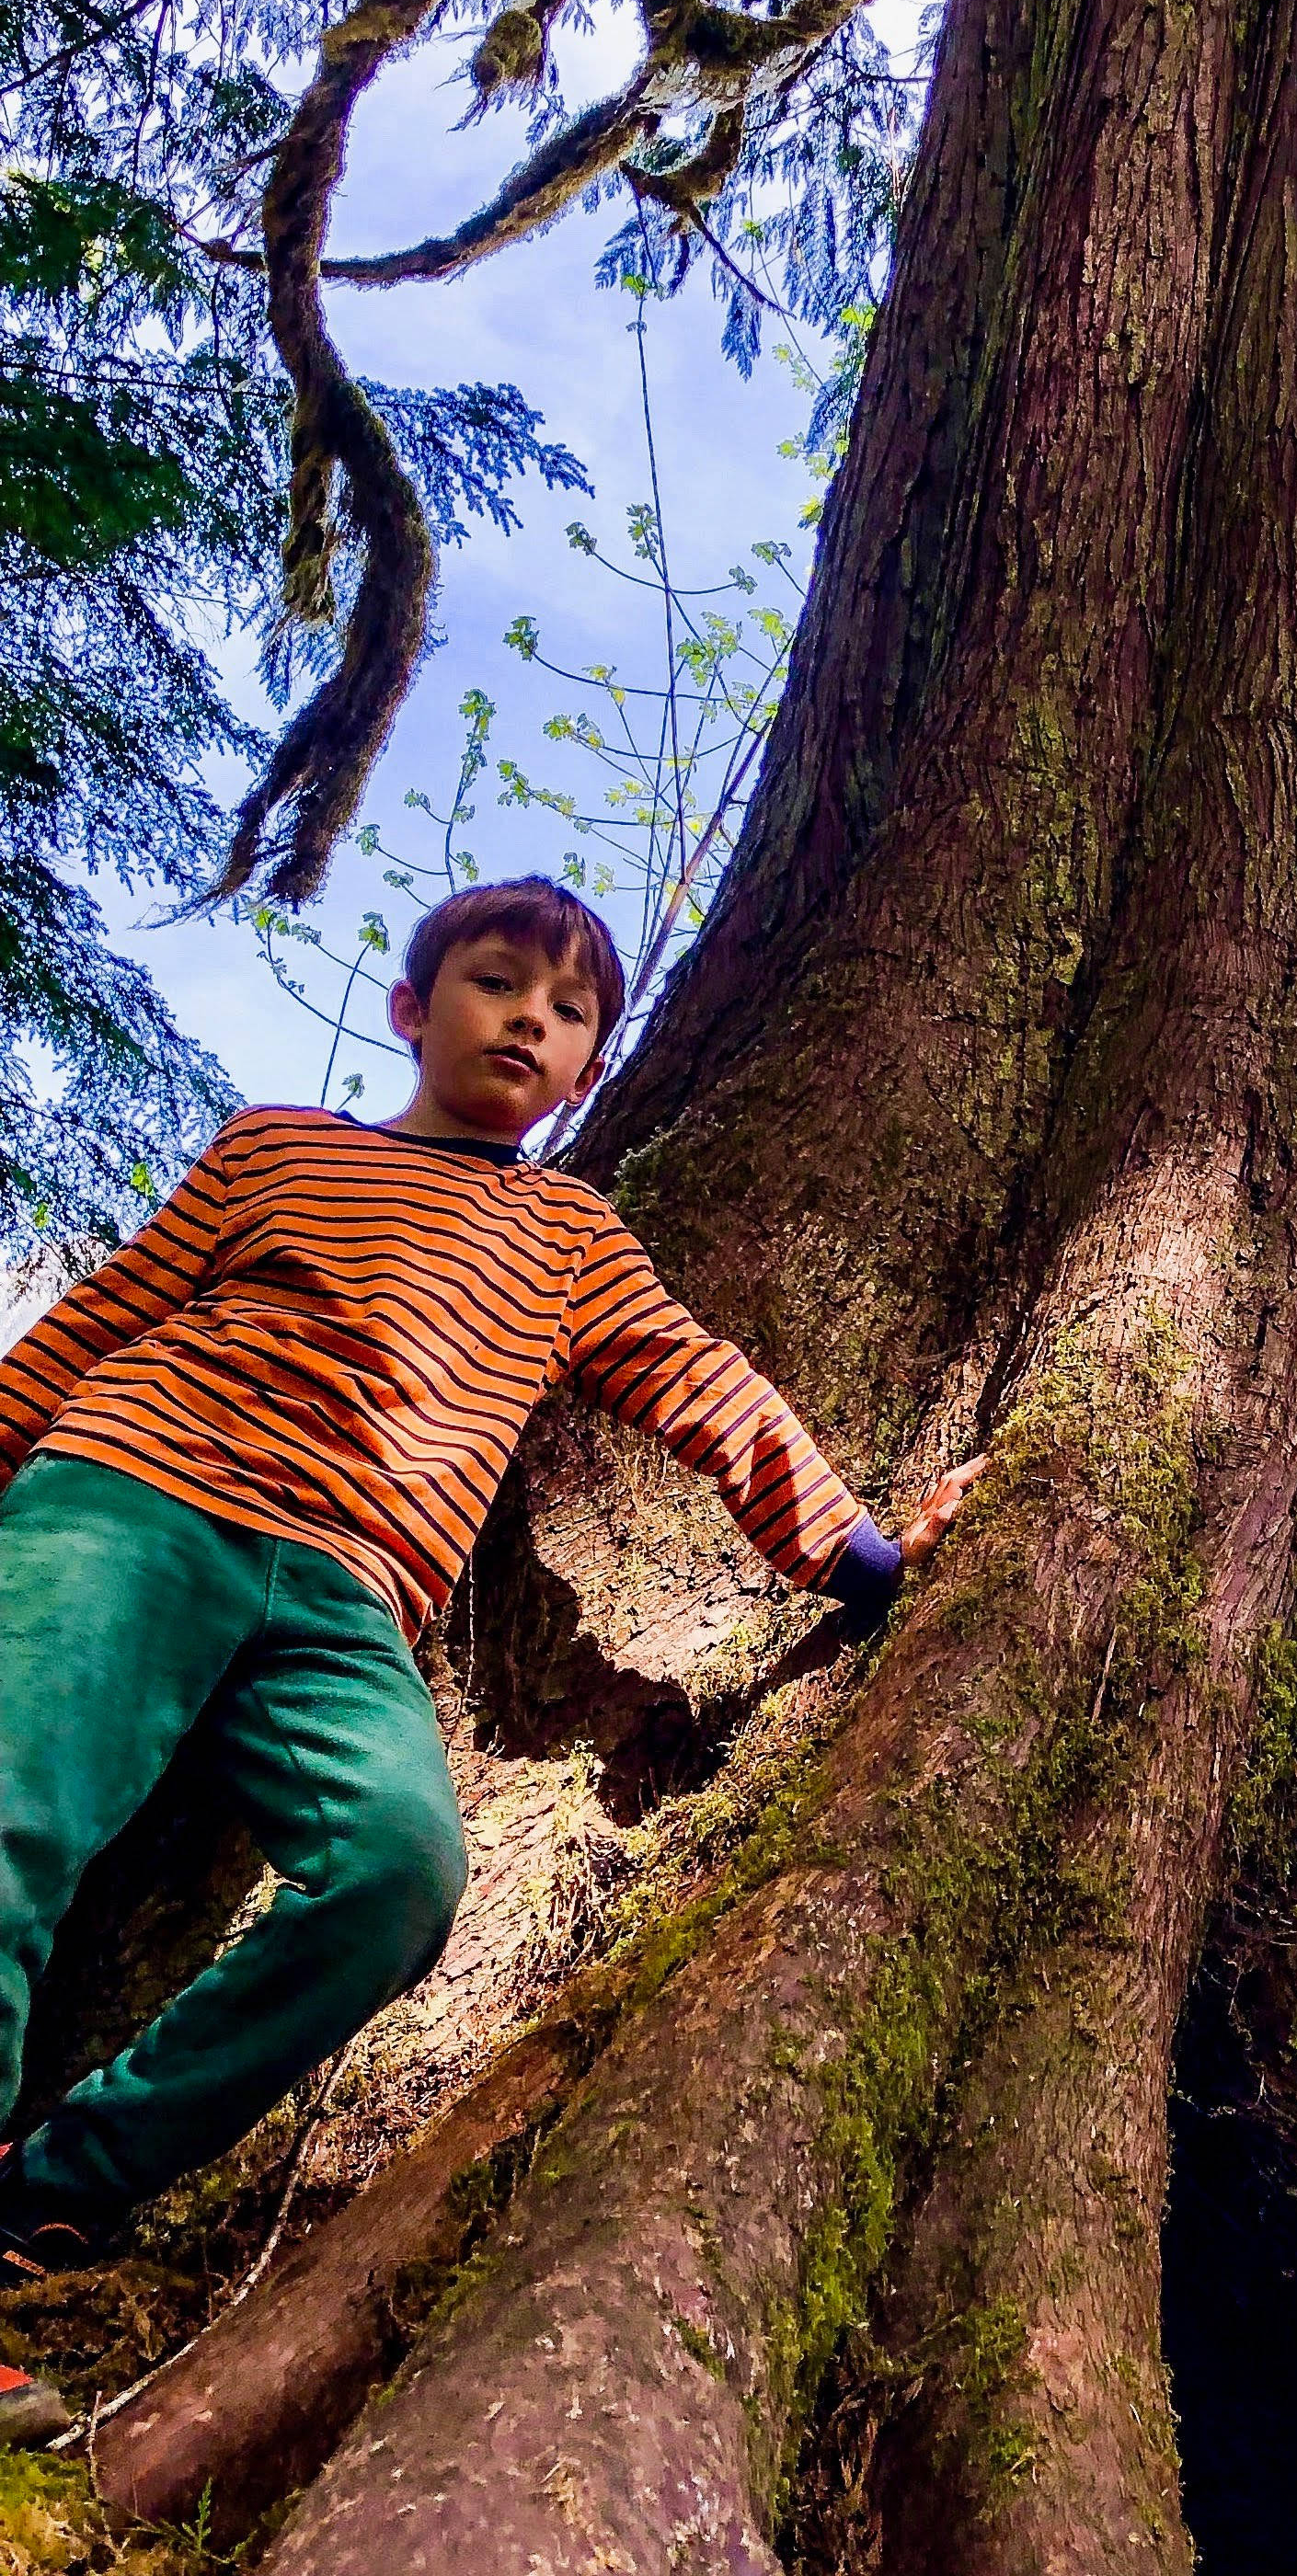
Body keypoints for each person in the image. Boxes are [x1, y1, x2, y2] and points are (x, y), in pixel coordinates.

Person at [0, 878, 981, 2449]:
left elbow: (699, 1385)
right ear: (413, 1009)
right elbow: (100, 1317)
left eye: (570, 1007)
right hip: (136, 1495)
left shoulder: (570, 1234)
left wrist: (865, 1560)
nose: (530, 1015)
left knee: (397, 1876)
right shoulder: (277, 1149)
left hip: (345, 1601)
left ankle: (51, 2192)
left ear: (591, 1067)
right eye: (495, 981)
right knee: (8, 1821)